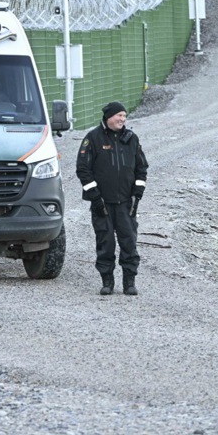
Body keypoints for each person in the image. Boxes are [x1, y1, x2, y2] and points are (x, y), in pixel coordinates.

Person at [76, 101, 148, 296]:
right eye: (119, 116)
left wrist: (137, 195)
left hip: (126, 203)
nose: (122, 120)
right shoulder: (93, 138)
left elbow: (142, 168)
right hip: (103, 204)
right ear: (109, 117)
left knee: (129, 242)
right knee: (105, 243)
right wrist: (95, 198)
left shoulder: (131, 138)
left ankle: (129, 282)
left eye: (125, 116)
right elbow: (83, 170)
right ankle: (107, 281)